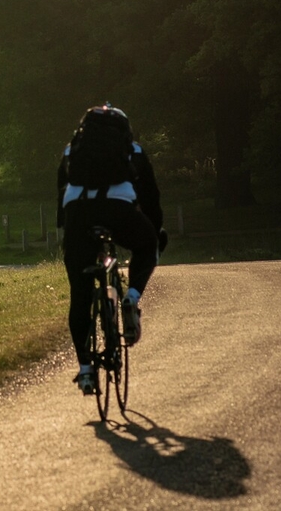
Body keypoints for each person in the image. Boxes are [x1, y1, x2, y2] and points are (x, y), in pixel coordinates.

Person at [57, 104, 167, 396]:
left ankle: (84, 371)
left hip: (78, 213)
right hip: (118, 209)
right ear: (125, 129)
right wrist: (153, 233)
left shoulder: (71, 150)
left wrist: (67, 232)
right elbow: (151, 199)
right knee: (147, 244)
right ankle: (130, 298)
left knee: (79, 295)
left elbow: (60, 194)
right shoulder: (134, 150)